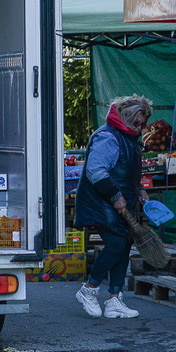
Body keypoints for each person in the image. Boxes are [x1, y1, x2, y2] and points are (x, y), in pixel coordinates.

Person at [72, 95, 152, 319]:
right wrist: (115, 195)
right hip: (100, 202)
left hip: (119, 201)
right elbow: (96, 171)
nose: (139, 128)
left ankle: (115, 299)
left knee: (124, 244)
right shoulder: (107, 137)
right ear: (124, 117)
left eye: (142, 125)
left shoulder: (128, 137)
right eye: (135, 123)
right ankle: (88, 289)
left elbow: (125, 170)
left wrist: (138, 189)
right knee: (116, 243)